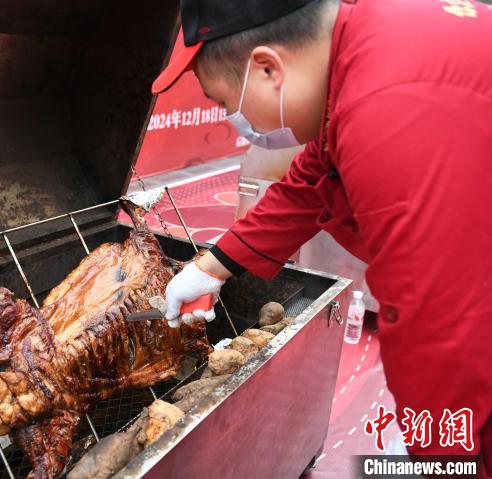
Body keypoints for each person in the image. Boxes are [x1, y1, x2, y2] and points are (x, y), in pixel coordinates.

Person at [153, 0, 492, 473]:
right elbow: (314, 180)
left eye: (225, 103)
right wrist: (211, 267)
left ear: (268, 67)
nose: (234, 115)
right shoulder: (366, 43)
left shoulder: (391, 109)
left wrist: (440, 457)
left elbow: (436, 328)